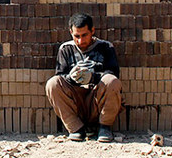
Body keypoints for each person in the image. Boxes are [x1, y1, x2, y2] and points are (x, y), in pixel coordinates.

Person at [45, 13, 123, 142]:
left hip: (97, 101)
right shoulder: (66, 49)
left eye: (84, 35)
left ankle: (105, 127)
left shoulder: (105, 47)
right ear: (71, 32)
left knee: (111, 81)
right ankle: (76, 129)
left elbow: (114, 74)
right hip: (76, 101)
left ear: (92, 31)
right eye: (77, 36)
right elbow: (60, 77)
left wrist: (93, 77)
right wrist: (71, 78)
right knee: (52, 84)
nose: (81, 41)